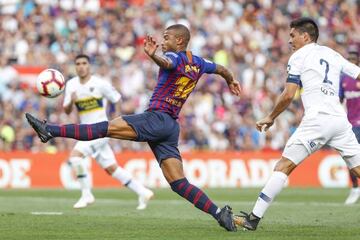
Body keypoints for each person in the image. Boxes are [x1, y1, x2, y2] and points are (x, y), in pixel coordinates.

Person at [25, 24, 241, 231]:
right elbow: (221, 68)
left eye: (167, 38)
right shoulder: (200, 62)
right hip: (170, 127)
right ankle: (219, 213)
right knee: (178, 182)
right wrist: (231, 80)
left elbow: (167, 63)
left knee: (104, 128)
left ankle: (50, 130)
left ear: (180, 40)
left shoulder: (173, 57)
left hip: (156, 118)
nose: (163, 42)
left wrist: (153, 55)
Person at [234, 17, 360, 231]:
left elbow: (288, 94)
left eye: (292, 35)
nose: (289, 40)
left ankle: (252, 219)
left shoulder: (299, 56)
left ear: (305, 36)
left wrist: (271, 116)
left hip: (317, 120)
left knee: (283, 166)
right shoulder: (333, 54)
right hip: (340, 121)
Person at [57, 54, 153, 209]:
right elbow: (67, 111)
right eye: (78, 64)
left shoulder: (100, 84)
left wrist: (117, 122)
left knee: (75, 157)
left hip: (101, 130)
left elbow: (116, 99)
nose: (81, 66)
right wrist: (72, 101)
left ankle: (86, 194)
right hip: (86, 131)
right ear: (75, 67)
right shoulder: (71, 85)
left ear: (89, 66)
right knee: (111, 168)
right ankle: (142, 191)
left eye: (84, 63)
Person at [339, 45, 360, 205]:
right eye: (349, 59)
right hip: (352, 124)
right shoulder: (344, 80)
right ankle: (354, 188)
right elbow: (338, 100)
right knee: (350, 156)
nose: (351, 61)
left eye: (354, 59)